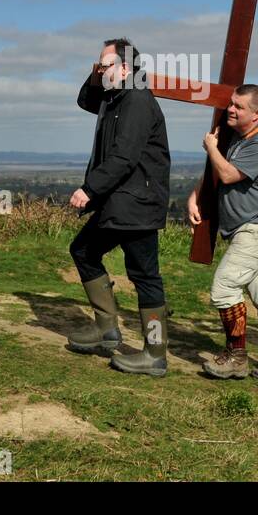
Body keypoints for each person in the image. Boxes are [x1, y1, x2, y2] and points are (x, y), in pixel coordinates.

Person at [65, 38, 172, 377]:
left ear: (125, 69)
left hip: (137, 204)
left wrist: (89, 188)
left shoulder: (137, 101)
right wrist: (98, 69)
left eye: (106, 65)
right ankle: (106, 329)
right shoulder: (114, 98)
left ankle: (155, 353)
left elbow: (125, 156)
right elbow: (85, 99)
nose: (101, 71)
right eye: (100, 65)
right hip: (120, 202)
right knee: (83, 250)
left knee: (145, 277)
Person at [189, 84, 258, 382]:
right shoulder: (240, 139)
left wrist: (211, 148)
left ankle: (236, 357)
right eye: (231, 104)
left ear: (257, 114)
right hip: (252, 229)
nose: (231, 110)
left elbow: (227, 173)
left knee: (224, 288)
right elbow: (220, 173)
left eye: (239, 107)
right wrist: (195, 194)